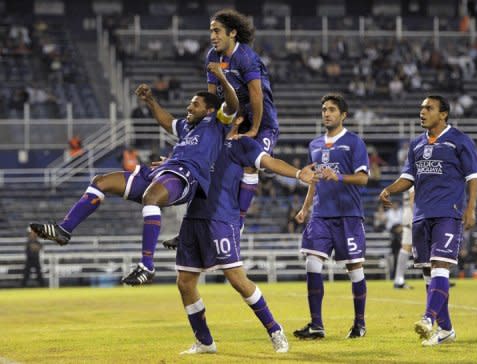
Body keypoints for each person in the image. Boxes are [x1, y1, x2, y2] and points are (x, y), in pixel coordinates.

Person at [30, 62, 239, 286]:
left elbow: (232, 104)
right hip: (160, 172)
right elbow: (168, 121)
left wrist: (221, 78)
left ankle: (147, 266)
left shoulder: (216, 124)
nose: (189, 108)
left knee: (151, 199)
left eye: (194, 105)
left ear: (208, 111)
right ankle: (64, 230)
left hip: (184, 176)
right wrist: (150, 101)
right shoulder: (188, 127)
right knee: (101, 182)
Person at [163, 114, 317, 354]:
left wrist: (298, 174)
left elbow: (269, 162)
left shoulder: (241, 144)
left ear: (236, 119)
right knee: (184, 282)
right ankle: (205, 341)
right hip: (193, 218)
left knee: (237, 279)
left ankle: (275, 330)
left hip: (221, 219)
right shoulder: (203, 140)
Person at [379, 95, 477, 346]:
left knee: (439, 266)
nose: (422, 112)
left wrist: (471, 209)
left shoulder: (459, 140)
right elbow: (408, 178)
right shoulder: (416, 144)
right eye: (421, 108)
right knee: (428, 272)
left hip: (448, 212)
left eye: (429, 108)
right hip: (421, 215)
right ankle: (446, 330)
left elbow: (474, 176)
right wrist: (390, 189)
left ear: (443, 114)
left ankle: (428, 319)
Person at [293, 94, 370, 340]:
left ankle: (359, 324)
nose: (326, 113)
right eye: (324, 109)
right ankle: (317, 325)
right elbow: (313, 181)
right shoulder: (314, 145)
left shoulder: (354, 143)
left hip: (348, 216)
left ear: (343, 115)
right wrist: (305, 208)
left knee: (354, 268)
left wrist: (339, 177)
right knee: (312, 263)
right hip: (320, 216)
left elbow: (364, 178)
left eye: (332, 110)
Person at [206, 9, 279, 230]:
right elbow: (211, 96)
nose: (213, 36)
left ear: (233, 33)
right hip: (236, 119)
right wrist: (212, 127)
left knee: (251, 163)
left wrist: (255, 128)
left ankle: (239, 220)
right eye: (211, 31)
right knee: (212, 165)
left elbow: (256, 95)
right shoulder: (212, 56)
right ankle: (202, 218)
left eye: (217, 31)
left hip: (263, 122)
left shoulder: (246, 57)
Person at [393, 188, 414, 289]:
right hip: (413, 211)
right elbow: (412, 196)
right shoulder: (416, 173)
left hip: (409, 211)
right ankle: (398, 279)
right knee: (407, 246)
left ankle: (398, 279)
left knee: (407, 246)